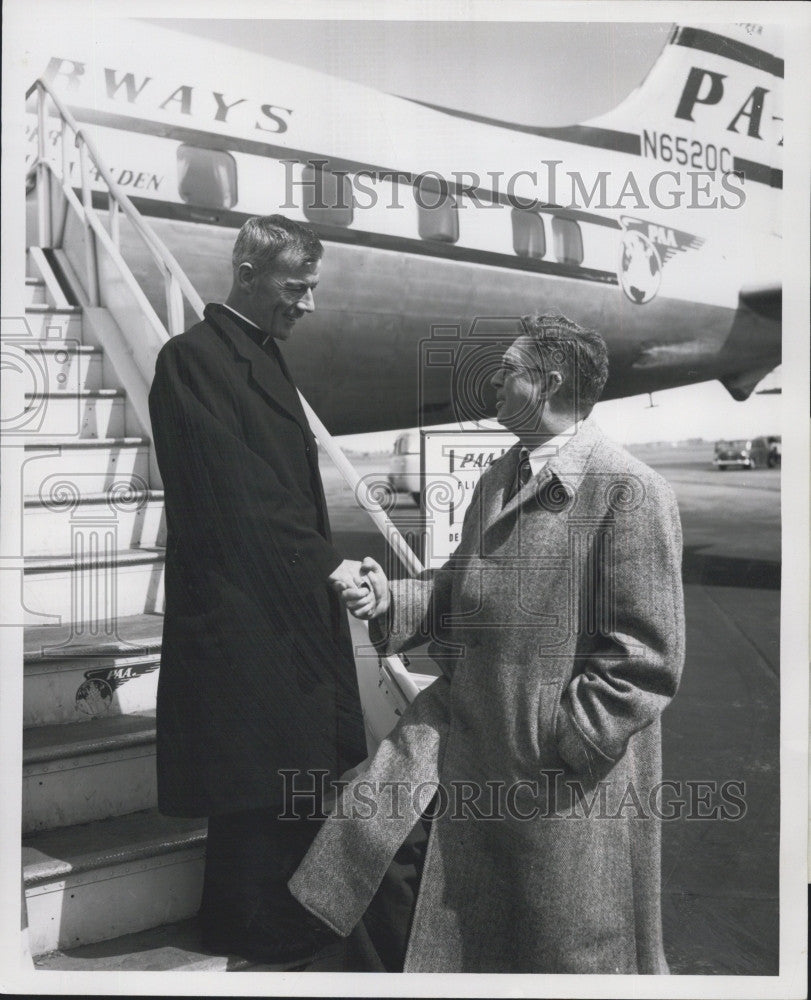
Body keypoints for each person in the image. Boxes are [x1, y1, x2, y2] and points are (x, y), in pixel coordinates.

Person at [290, 313, 686, 973]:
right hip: (460, 732)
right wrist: (389, 598)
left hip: (551, 776)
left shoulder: (630, 491)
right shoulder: (499, 477)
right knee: (371, 833)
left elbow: (644, 660)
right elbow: (455, 593)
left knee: (550, 946)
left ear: (548, 381)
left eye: (507, 368)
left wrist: (562, 740)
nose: (493, 381)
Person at [148, 215, 379, 967]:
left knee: (282, 768)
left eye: (311, 288)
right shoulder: (190, 359)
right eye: (295, 287)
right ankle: (250, 926)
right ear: (247, 275)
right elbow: (234, 490)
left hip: (274, 601)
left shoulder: (258, 355)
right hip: (242, 604)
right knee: (256, 778)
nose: (306, 304)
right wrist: (322, 560)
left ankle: (270, 918)